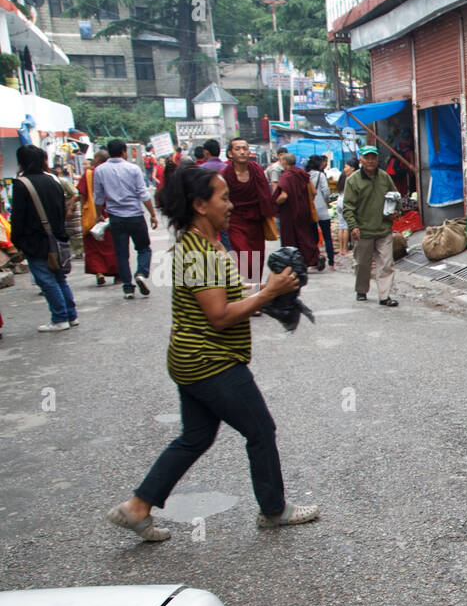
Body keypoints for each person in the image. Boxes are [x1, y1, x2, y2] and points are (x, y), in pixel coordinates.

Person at [106, 166, 320, 543]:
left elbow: (227, 296)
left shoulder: (206, 245)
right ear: (200, 205)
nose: (231, 204)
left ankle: (136, 508)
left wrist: (269, 292)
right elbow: (219, 316)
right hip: (210, 362)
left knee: (195, 438)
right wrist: (268, 294)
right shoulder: (199, 252)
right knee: (261, 431)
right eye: (223, 197)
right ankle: (274, 510)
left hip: (191, 361)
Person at [10, 145, 79, 333]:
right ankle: (71, 315)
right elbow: (60, 209)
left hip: (35, 241)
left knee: (47, 280)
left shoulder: (22, 184)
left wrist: (17, 242)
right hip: (57, 237)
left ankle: (60, 318)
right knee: (59, 278)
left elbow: (18, 217)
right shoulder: (54, 180)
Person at [95, 139, 157, 299]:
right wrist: (153, 214)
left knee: (121, 253)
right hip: (135, 215)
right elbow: (143, 194)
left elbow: (98, 197)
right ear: (124, 151)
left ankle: (128, 287)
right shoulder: (133, 169)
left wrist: (98, 215)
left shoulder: (100, 170)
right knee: (144, 248)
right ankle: (141, 273)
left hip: (115, 217)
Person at [342, 145, 398, 306]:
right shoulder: (353, 180)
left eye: (373, 157)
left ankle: (384, 296)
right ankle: (361, 289)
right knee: (362, 264)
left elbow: (395, 197)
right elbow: (348, 207)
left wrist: (396, 210)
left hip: (383, 228)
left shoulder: (384, 177)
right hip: (363, 230)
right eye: (367, 158)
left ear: (377, 159)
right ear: (361, 159)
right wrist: (353, 226)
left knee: (386, 263)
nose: (370, 161)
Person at [221, 138, 276, 281]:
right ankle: (244, 291)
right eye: (238, 149)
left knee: (257, 256)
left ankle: (254, 289)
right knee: (243, 256)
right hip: (236, 221)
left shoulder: (256, 169)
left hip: (256, 219)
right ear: (230, 153)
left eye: (245, 149)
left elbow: (265, 194)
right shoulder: (226, 174)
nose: (242, 152)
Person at [77, 149, 119, 286]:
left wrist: (84, 210)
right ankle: (118, 275)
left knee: (93, 245)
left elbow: (82, 193)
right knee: (113, 244)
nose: (92, 161)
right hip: (111, 211)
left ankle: (99, 272)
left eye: (94, 158)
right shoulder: (113, 172)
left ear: (98, 159)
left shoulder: (89, 174)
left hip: (94, 214)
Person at [272, 152, 320, 269]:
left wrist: (274, 203)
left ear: (284, 162)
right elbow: (314, 192)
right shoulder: (302, 173)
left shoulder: (287, 176)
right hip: (304, 210)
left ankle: (292, 262)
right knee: (305, 236)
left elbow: (284, 196)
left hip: (290, 212)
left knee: (291, 238)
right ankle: (314, 258)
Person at [307, 155, 335, 270]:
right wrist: (326, 201)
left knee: (313, 238)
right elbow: (326, 191)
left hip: (311, 210)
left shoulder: (305, 175)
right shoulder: (321, 175)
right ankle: (331, 263)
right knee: (327, 236)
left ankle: (315, 261)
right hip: (322, 209)